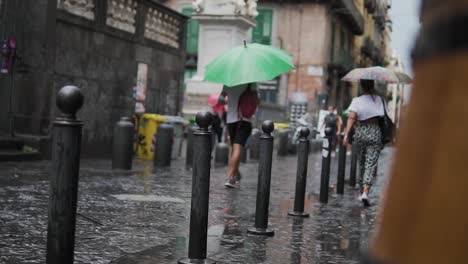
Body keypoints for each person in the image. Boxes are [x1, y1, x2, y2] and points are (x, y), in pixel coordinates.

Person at [343, 80, 386, 206]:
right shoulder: (379, 99)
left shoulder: (357, 100)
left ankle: (362, 192)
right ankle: (365, 193)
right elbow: (384, 117)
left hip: (360, 131)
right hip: (374, 131)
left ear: (362, 86)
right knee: (371, 163)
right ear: (373, 85)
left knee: (361, 163)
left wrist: (346, 134)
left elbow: (351, 118)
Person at [218, 83, 256, 188]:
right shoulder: (251, 82)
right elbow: (256, 100)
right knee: (238, 147)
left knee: (234, 148)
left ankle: (236, 174)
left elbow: (220, 100)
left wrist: (229, 101)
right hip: (244, 120)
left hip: (231, 120)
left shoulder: (228, 82)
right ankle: (231, 178)